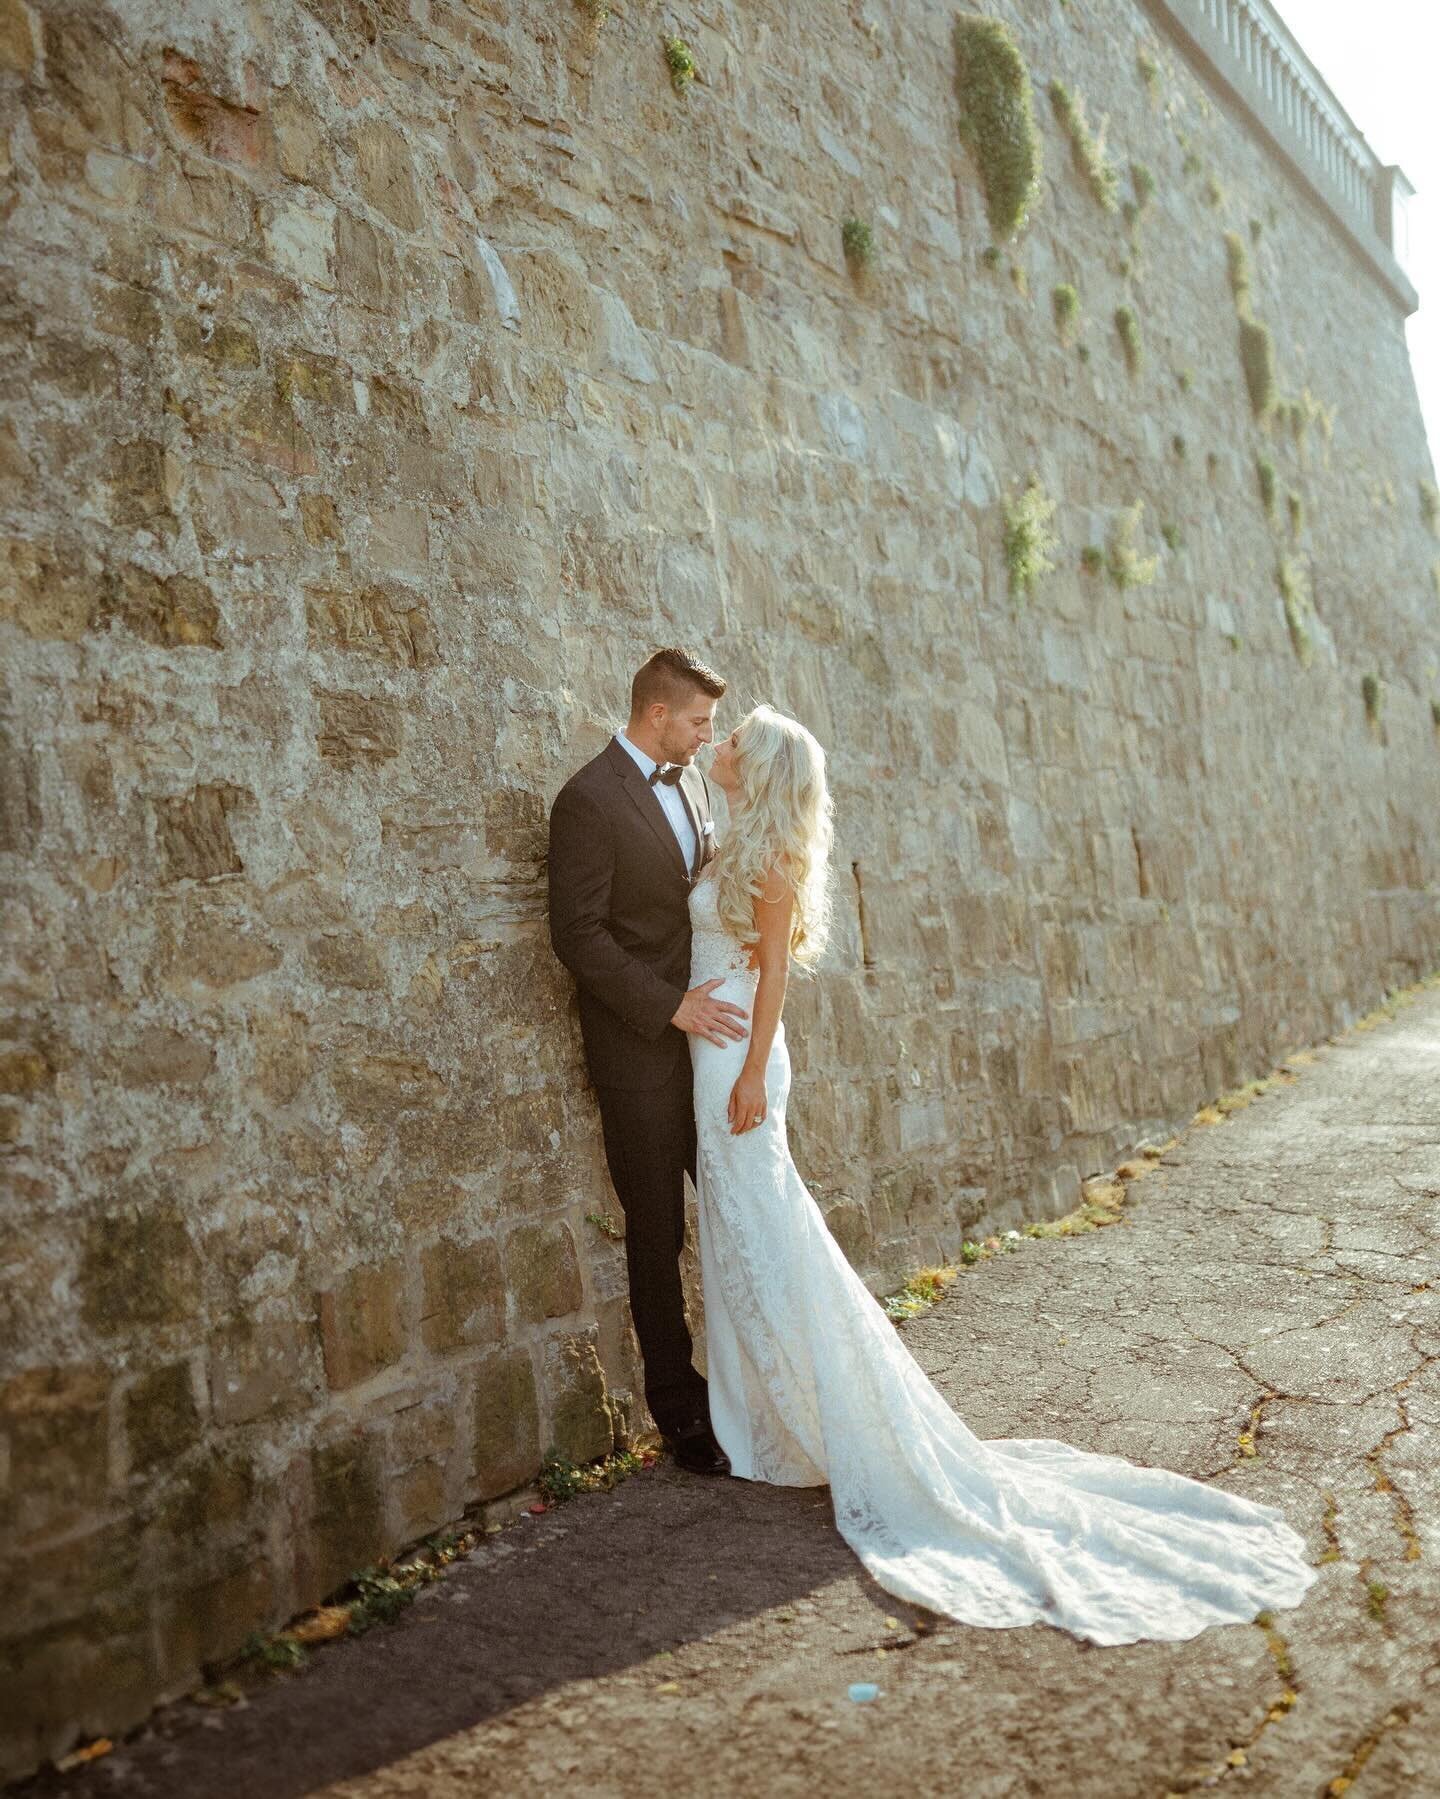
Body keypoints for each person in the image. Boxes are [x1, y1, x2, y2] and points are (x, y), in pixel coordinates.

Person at [688, 702, 1319, 1643]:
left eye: (735, 737)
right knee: (740, 1227)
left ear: (765, 767)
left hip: (741, 1051)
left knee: (765, 1224)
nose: (721, 742)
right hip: (711, 1035)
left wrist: (748, 1073)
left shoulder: (771, 857)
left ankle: (799, 1421)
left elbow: (775, 975)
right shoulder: (724, 824)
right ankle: (759, 1422)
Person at [547, 648, 744, 1476]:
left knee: (739, 1208)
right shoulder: (588, 800)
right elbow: (578, 934)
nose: (708, 735)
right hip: (638, 1052)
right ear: (657, 714)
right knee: (657, 1232)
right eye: (698, 721)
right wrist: (668, 1006)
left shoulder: (696, 783)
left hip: (709, 1047)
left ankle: (754, 1383)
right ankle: (682, 1411)